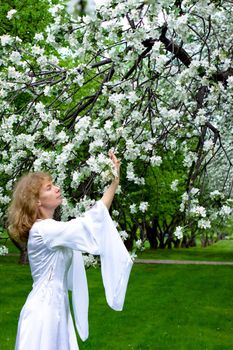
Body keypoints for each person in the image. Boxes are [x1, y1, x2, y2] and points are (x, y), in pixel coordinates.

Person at [7, 151, 133, 350]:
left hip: (55, 306)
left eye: (54, 184)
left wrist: (114, 182)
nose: (57, 189)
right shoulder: (45, 230)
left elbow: (91, 222)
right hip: (45, 312)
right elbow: (91, 222)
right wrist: (114, 182)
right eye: (49, 188)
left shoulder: (51, 228)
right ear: (37, 201)